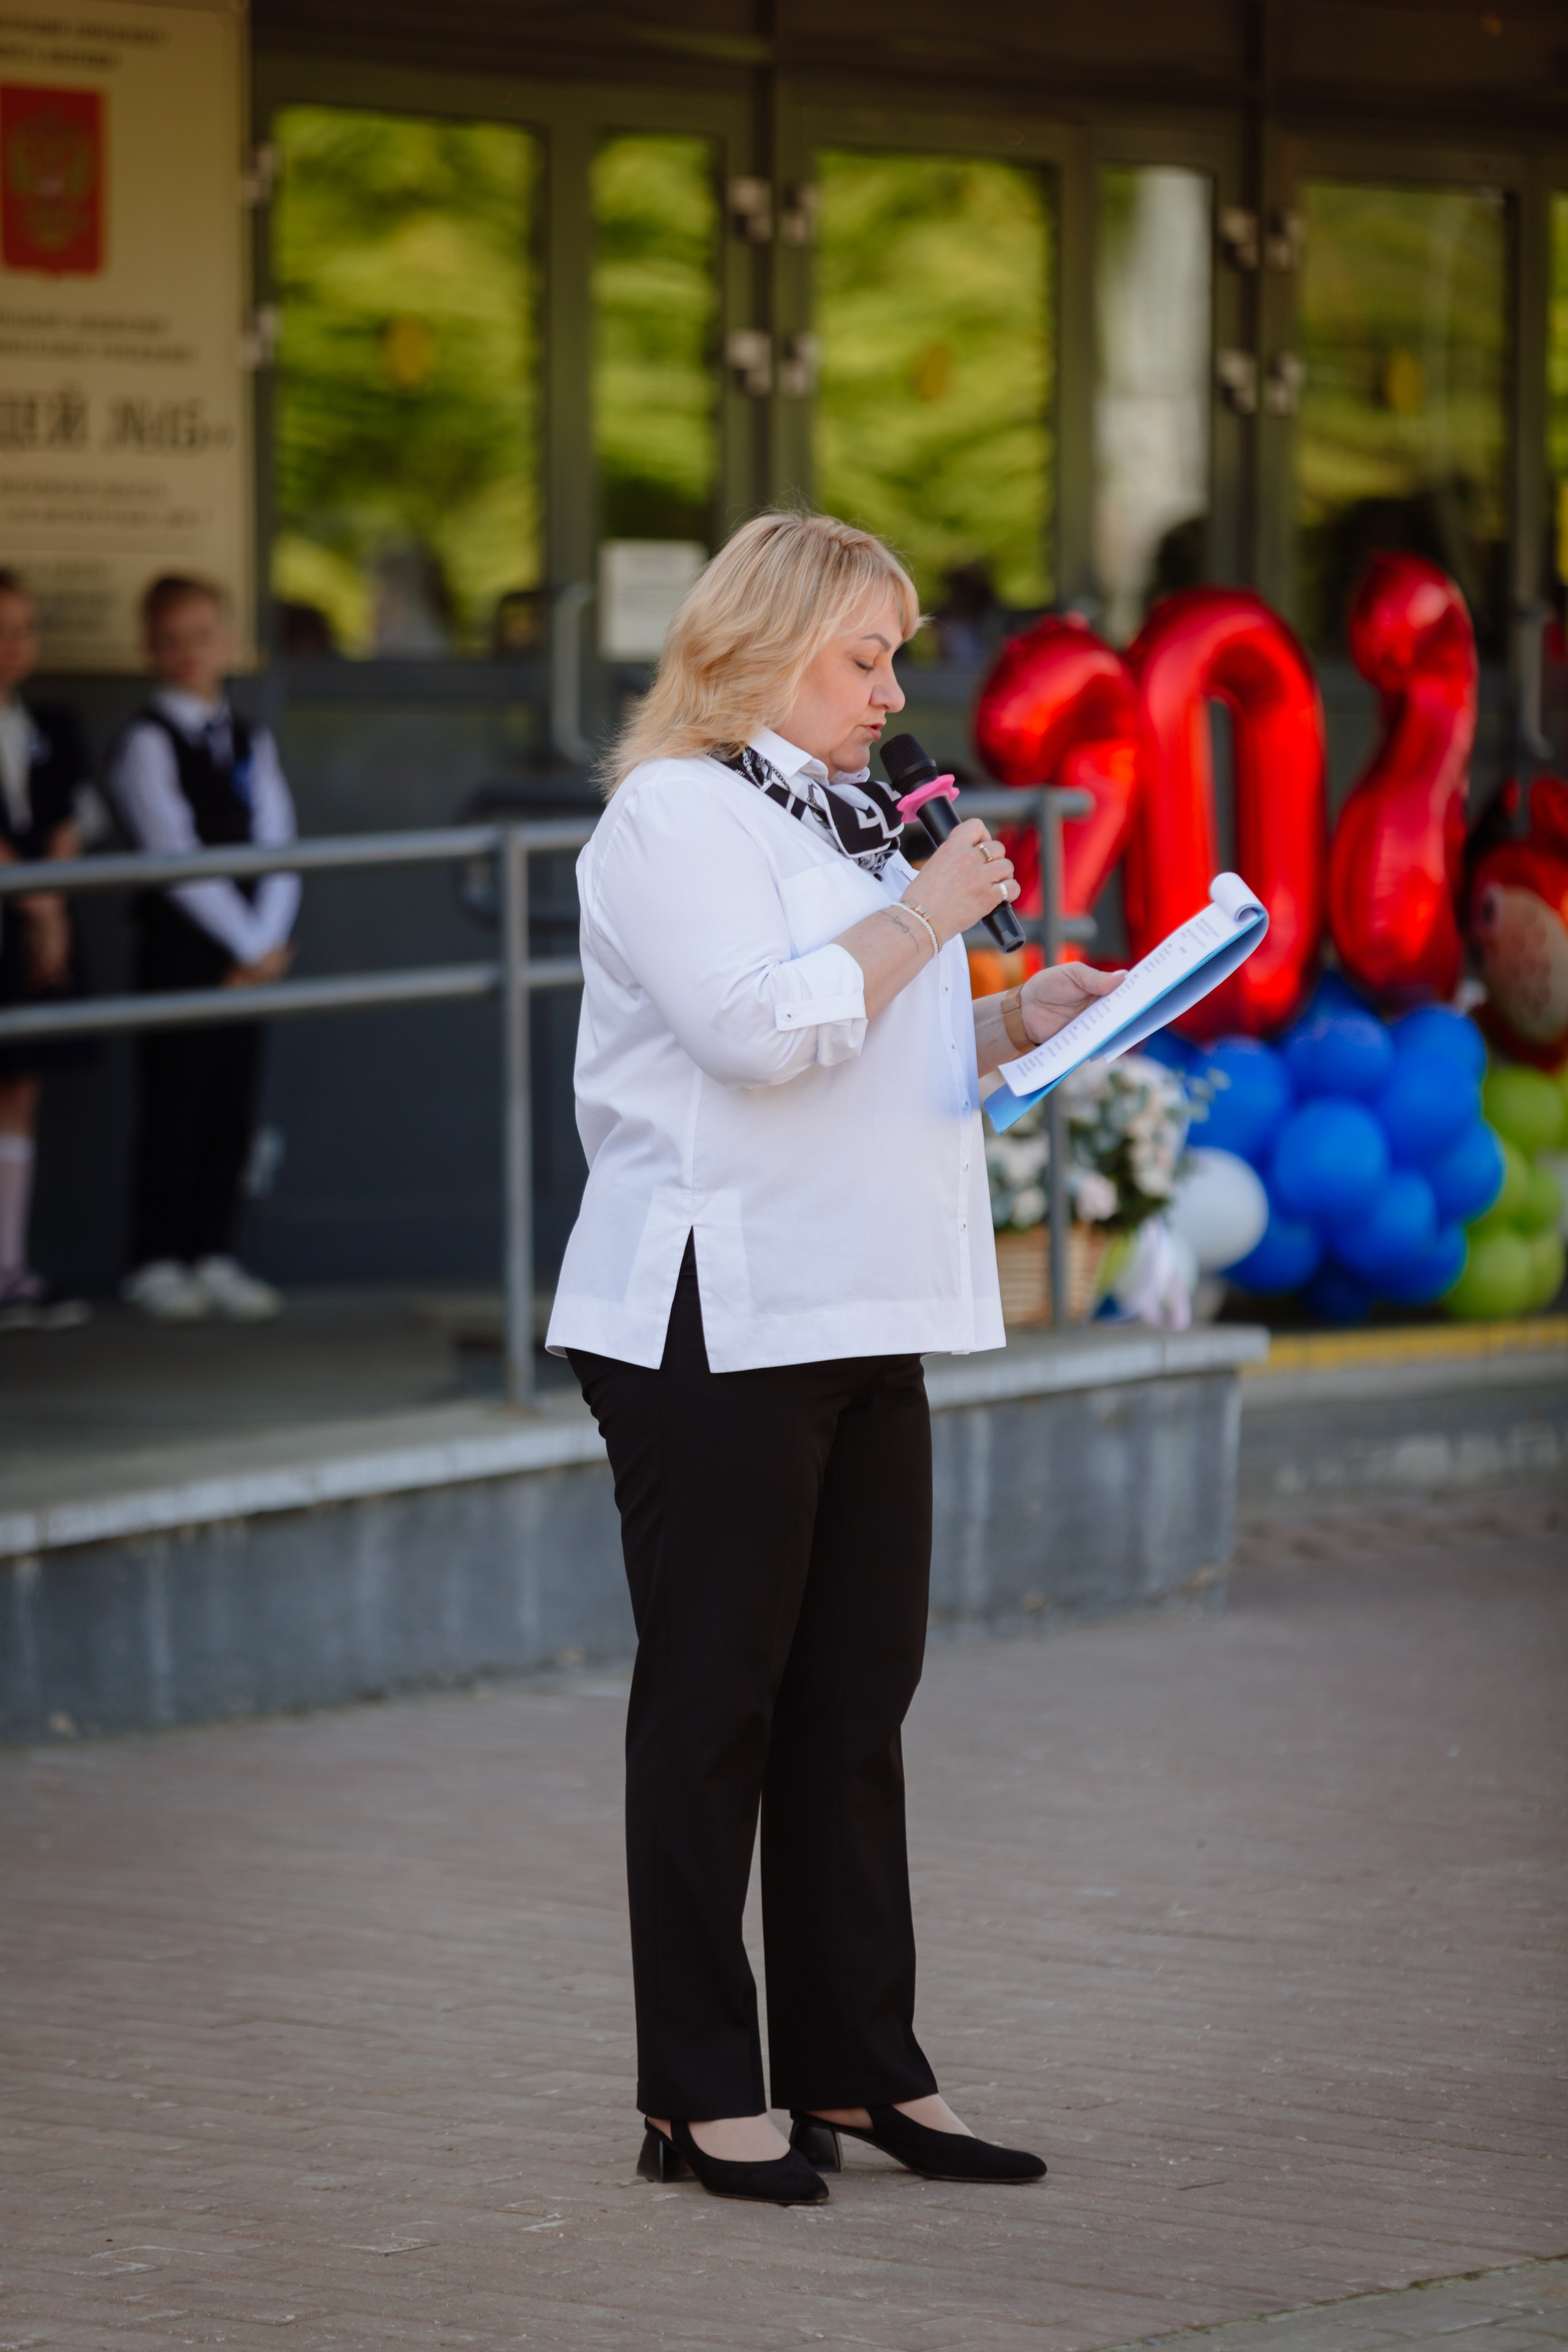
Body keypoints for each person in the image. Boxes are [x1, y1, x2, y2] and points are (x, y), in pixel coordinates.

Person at [546, 513, 1125, 2206]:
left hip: (870, 1304)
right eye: (863, 656)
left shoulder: (866, 828)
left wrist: (1022, 1014)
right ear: (758, 648)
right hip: (713, 1315)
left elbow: (873, 1029)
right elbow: (756, 1027)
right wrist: (938, 913)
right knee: (716, 1705)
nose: (894, 690)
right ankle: (700, 2093)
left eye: (898, 656)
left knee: (855, 1703)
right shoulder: (672, 816)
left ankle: (863, 2071)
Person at [108, 575, 300, 1324]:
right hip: (185, 947)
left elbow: (279, 844)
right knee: (176, 1097)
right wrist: (249, 940)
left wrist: (269, 940)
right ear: (151, 648)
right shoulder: (144, 743)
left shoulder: (251, 737)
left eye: (202, 636)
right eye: (172, 640)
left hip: (252, 954)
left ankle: (214, 1250)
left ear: (228, 642)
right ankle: (157, 1257)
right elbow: (171, 853)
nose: (190, 652)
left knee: (232, 1098)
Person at [0, 570, 91, 1331]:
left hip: (32, 935)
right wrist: (40, 911)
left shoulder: (53, 724)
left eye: (24, 629)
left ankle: (11, 1267)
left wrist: (49, 917)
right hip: (23, 920)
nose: (12, 646)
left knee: (21, 1086)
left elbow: (65, 819)